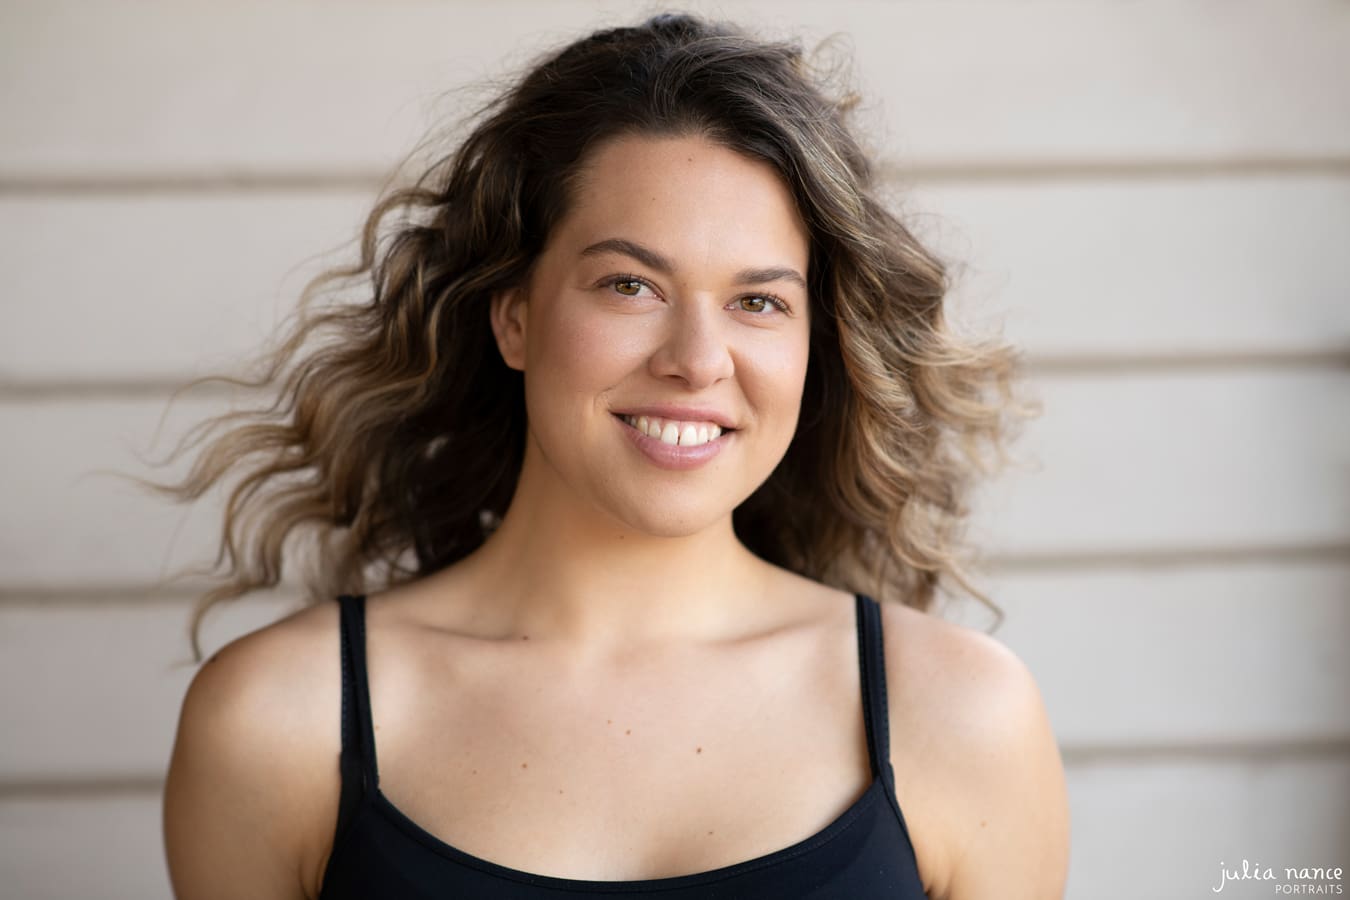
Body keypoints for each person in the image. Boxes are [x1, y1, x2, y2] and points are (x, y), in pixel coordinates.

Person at [159, 11, 1069, 899]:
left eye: (759, 303)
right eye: (630, 285)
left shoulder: (959, 718)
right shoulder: (277, 722)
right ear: (514, 315)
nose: (697, 360)